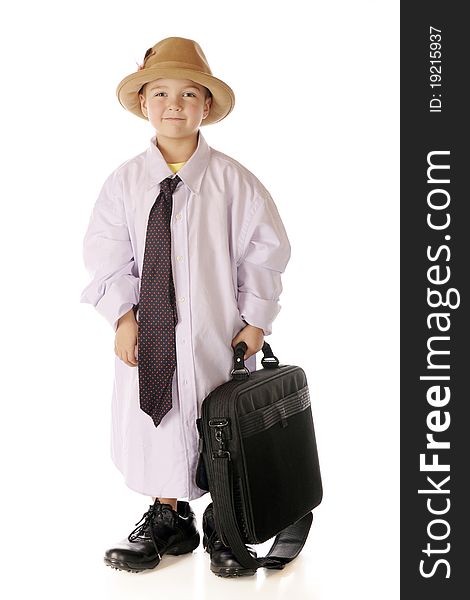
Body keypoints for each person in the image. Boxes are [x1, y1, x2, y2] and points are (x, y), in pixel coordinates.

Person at [80, 36, 291, 577]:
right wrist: (123, 317)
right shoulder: (125, 183)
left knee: (218, 427)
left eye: (189, 94)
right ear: (145, 104)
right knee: (155, 423)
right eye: (161, 93)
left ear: (206, 107)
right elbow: (107, 254)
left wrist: (256, 320)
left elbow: (263, 252)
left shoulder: (232, 183)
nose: (175, 105)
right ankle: (167, 519)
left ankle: (226, 522)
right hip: (148, 338)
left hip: (215, 339)